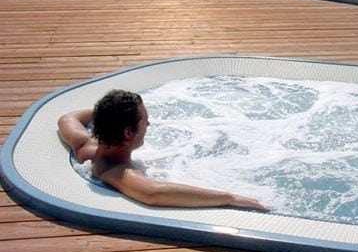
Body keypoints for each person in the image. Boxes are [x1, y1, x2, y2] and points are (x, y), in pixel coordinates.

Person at [57, 89, 269, 211]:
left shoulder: (85, 146)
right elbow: (153, 193)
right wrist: (229, 198)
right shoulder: (116, 171)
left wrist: (109, 114)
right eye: (144, 120)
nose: (148, 125)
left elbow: (67, 119)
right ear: (128, 133)